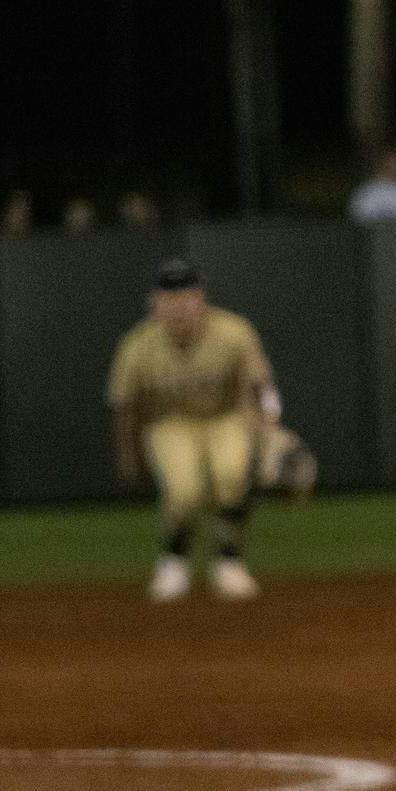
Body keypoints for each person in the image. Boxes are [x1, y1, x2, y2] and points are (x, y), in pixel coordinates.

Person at [108, 258, 277, 601]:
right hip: (171, 422)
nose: (179, 306)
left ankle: (230, 562)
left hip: (224, 417)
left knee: (231, 478)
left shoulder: (234, 331)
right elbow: (125, 407)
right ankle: (174, 561)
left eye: (186, 296)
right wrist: (128, 453)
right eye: (169, 298)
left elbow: (260, 387)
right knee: (183, 492)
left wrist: (266, 430)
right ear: (154, 305)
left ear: (201, 299)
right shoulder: (138, 345)